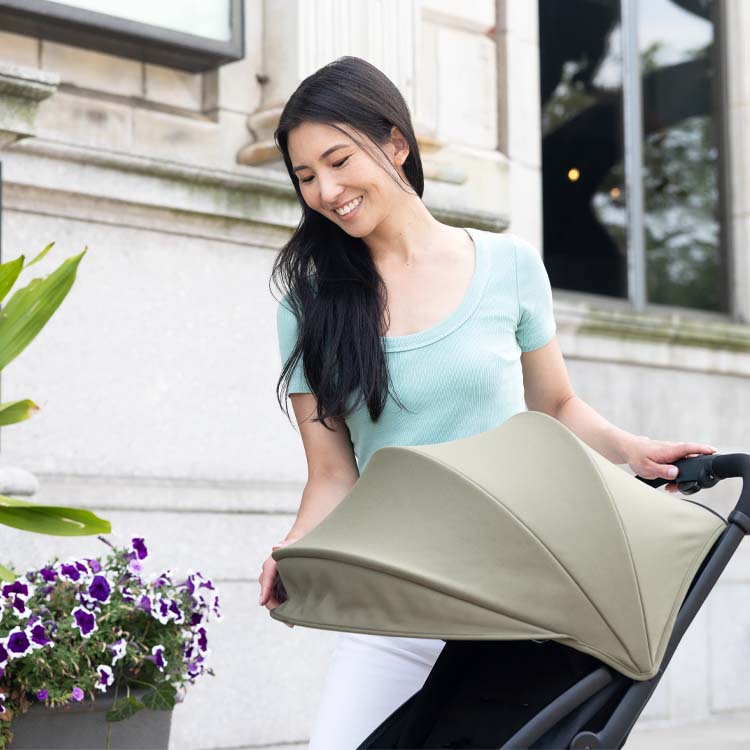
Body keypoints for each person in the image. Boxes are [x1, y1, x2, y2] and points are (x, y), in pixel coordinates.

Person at [258, 55, 717, 749]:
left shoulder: (508, 266)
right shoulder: (310, 303)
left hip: (515, 596)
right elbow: (331, 473)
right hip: (399, 593)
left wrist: (634, 451)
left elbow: (556, 405)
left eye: (338, 160)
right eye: (305, 176)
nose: (326, 189)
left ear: (395, 143)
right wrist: (294, 547)